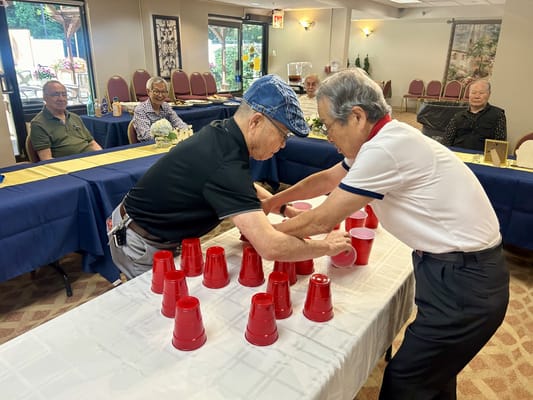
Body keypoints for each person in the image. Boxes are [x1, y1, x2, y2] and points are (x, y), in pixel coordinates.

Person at [264, 68, 509, 399]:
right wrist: (275, 202)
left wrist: (266, 234)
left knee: (406, 381)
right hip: (458, 271)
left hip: (466, 282)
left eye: (329, 125)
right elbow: (325, 181)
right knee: (435, 375)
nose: (328, 135)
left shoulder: (385, 149)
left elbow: (321, 220)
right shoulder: (383, 140)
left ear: (357, 116)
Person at [108, 74, 351, 279]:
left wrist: (285, 209)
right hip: (138, 241)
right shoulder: (224, 162)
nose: (283, 145)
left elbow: (243, 185)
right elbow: (270, 246)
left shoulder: (225, 132)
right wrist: (328, 246)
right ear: (256, 122)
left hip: (154, 232)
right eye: (283, 135)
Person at [30, 80, 102, 160]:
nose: (61, 99)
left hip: (92, 160)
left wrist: (103, 156)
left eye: (64, 95)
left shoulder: (75, 117)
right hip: (69, 166)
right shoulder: (38, 124)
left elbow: (92, 143)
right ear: (45, 97)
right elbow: (46, 159)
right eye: (55, 95)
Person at [443, 79, 507, 150]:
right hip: (458, 157)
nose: (477, 96)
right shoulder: (458, 116)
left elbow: (499, 145)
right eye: (473, 93)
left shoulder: (498, 115)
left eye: (481, 93)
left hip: (482, 159)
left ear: (489, 94)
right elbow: (446, 142)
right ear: (469, 95)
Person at [132, 76, 189, 142]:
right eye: (156, 91)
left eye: (164, 92)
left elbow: (178, 123)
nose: (160, 95)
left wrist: (185, 131)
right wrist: (172, 135)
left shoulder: (166, 106)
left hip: (166, 144)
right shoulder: (140, 110)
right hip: (148, 147)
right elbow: (147, 136)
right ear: (148, 92)